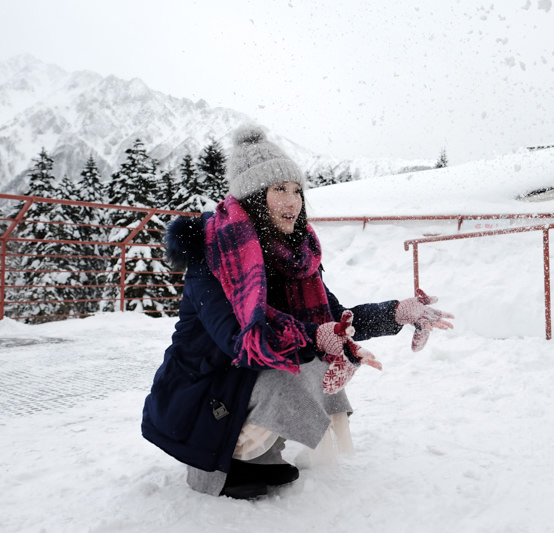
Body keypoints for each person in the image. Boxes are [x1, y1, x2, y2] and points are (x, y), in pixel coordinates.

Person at [141, 125, 454, 499]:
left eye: (297, 191)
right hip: (200, 391)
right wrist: (317, 339)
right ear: (255, 197)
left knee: (318, 363)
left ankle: (260, 454)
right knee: (289, 375)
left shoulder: (293, 257)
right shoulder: (214, 256)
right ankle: (220, 459)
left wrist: (397, 312)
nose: (292, 202)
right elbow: (238, 341)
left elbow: (338, 319)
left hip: (239, 379)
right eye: (279, 190)